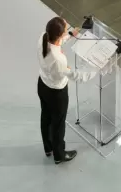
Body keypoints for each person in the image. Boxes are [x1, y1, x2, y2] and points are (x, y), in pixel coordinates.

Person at [37, 17, 86, 165]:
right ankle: (59, 155)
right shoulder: (59, 60)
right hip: (57, 94)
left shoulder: (43, 37)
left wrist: (71, 34)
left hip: (43, 85)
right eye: (65, 27)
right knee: (58, 125)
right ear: (59, 34)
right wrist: (94, 71)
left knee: (46, 118)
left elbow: (56, 42)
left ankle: (48, 147)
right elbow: (75, 76)